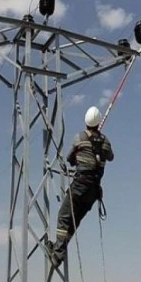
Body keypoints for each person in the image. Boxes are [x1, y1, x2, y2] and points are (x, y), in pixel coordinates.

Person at [47, 106, 114, 268]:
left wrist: (86, 149)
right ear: (98, 124)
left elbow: (70, 158)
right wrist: (99, 142)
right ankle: (59, 250)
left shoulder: (80, 138)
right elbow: (110, 157)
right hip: (93, 192)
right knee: (74, 221)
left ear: (86, 123)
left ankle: (57, 255)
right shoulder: (105, 142)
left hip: (79, 187)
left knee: (64, 217)